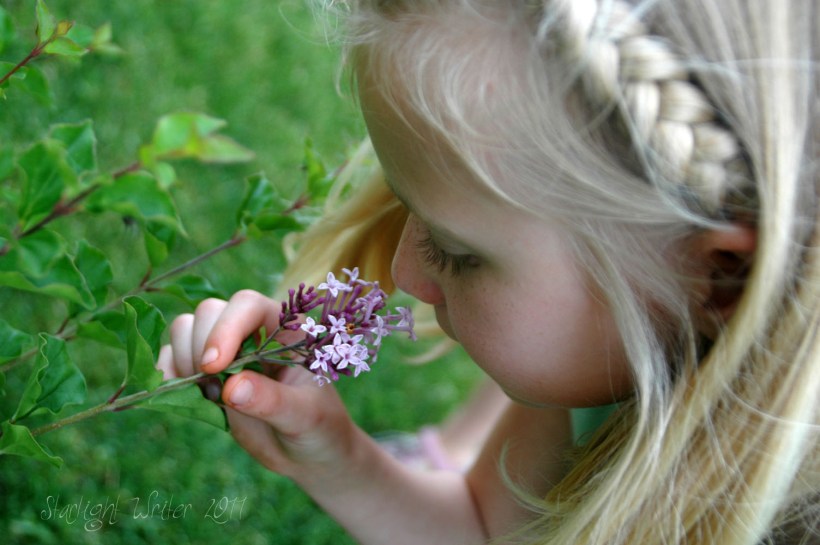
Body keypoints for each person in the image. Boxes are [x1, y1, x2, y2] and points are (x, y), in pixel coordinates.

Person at [156, 1, 819, 543]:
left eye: (459, 251)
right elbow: (480, 530)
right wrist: (340, 460)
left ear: (718, 278)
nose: (406, 272)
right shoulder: (613, 365)